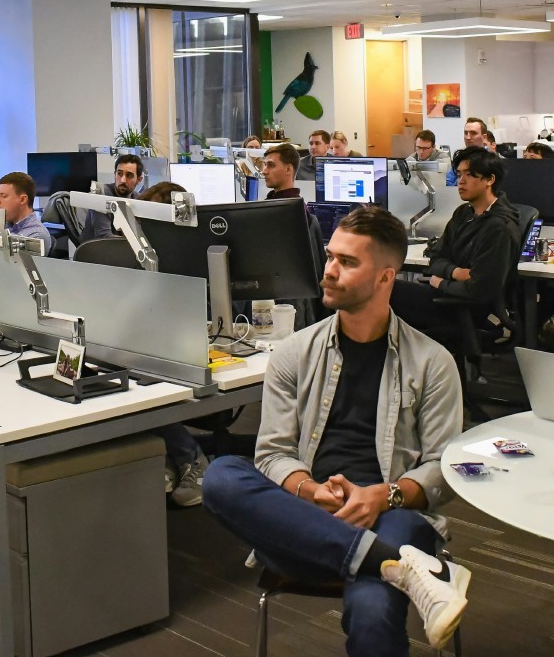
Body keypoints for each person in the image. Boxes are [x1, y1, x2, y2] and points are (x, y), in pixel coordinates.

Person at [202, 206, 471, 655]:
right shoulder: (294, 354)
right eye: (330, 257)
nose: (329, 270)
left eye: (347, 262)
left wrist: (381, 496)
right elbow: (272, 454)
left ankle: (388, 562)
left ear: (386, 277)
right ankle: (397, 566)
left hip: (394, 515)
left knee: (371, 606)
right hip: (304, 519)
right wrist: (309, 491)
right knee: (221, 476)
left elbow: (444, 470)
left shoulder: (432, 363)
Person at [390, 146, 520, 353]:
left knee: (384, 291)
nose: (461, 181)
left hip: (462, 305)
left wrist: (440, 281)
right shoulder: (463, 214)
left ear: (489, 180)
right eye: (459, 174)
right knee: (380, 286)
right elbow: (436, 257)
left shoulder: (499, 227)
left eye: (469, 175)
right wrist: (456, 273)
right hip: (448, 294)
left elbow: (480, 289)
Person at [82, 153, 145, 241]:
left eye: (129, 175)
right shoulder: (100, 195)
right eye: (119, 174)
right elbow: (104, 237)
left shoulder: (138, 199)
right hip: (98, 251)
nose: (123, 180)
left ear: (139, 180)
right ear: (115, 174)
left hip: (121, 251)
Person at [0, 172, 53, 252]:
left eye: (4, 196)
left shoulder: (36, 236)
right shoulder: (4, 226)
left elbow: (9, 263)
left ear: (23, 200)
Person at [445, 118, 495, 187]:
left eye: (473, 133)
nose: (468, 137)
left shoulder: (490, 160)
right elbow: (448, 182)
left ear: (484, 137)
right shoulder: (460, 157)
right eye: (466, 133)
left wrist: (459, 180)